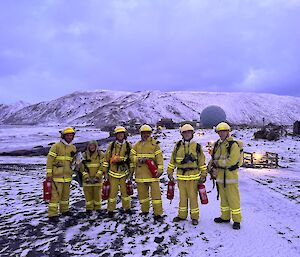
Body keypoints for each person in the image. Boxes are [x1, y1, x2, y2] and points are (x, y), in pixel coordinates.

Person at [167, 124, 207, 225]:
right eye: (185, 132)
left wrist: (203, 174)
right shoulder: (177, 146)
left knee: (193, 198)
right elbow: (172, 161)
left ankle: (194, 217)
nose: (187, 134)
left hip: (193, 177)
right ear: (182, 134)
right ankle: (182, 215)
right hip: (181, 177)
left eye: (189, 132)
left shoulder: (197, 147)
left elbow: (202, 162)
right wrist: (170, 173)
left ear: (192, 133)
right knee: (182, 197)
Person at [209, 122, 242, 230]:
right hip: (220, 177)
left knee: (233, 198)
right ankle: (225, 217)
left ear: (228, 132)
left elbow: (232, 161)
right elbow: (214, 158)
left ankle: (237, 220)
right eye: (220, 132)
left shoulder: (233, 145)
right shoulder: (218, 144)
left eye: (224, 131)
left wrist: (218, 163)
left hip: (230, 177)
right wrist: (209, 166)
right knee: (223, 199)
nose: (221, 134)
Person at [130, 124, 164, 221]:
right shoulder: (137, 145)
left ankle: (158, 214)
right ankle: (144, 211)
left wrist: (160, 169)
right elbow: (131, 157)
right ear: (141, 134)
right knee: (142, 196)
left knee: (156, 196)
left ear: (150, 133)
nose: (146, 135)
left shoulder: (155, 145)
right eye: (144, 133)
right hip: (140, 175)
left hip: (153, 174)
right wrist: (138, 159)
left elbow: (160, 159)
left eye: (148, 133)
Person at [46, 127, 77, 222]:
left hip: (68, 176)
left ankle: (64, 210)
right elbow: (50, 160)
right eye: (68, 135)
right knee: (54, 196)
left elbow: (74, 161)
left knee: (65, 195)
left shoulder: (73, 147)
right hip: (56, 176)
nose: (69, 137)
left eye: (71, 135)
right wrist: (49, 173)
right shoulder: (56, 146)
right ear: (64, 136)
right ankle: (52, 214)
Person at [103, 126, 133, 217]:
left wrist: (131, 173)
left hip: (124, 173)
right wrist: (105, 172)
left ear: (124, 134)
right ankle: (110, 210)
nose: (120, 135)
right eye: (118, 134)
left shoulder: (128, 145)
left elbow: (131, 160)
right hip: (113, 174)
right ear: (116, 135)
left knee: (125, 193)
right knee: (112, 194)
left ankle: (127, 208)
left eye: (122, 133)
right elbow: (106, 160)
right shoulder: (111, 146)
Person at [79, 140, 104, 216]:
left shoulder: (101, 155)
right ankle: (89, 209)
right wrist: (86, 177)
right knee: (88, 196)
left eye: (93, 145)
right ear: (88, 146)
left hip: (98, 180)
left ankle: (98, 208)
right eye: (90, 145)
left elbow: (102, 166)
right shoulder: (83, 155)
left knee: (97, 196)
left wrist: (97, 176)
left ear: (96, 146)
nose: (92, 147)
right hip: (87, 180)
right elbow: (81, 168)